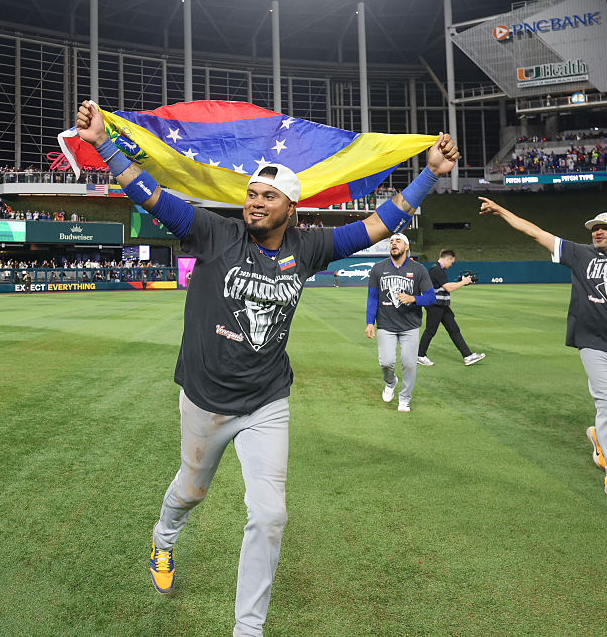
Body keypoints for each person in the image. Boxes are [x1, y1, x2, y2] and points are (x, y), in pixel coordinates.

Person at [74, 99, 459, 637]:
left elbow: (377, 224)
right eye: (252, 193)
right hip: (206, 400)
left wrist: (429, 178)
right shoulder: (214, 232)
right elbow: (152, 195)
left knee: (270, 514)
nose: (255, 202)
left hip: (266, 402)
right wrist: (102, 143)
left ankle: (247, 629)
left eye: (268, 195)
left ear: (291, 208)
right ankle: (164, 539)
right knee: (192, 489)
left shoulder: (310, 247)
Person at [478, 201, 607, 507]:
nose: (598, 232)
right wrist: (502, 211)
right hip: (591, 341)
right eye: (594, 228)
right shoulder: (580, 253)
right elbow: (535, 233)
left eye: (605, 228)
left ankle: (598, 438)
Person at [365, 233, 436, 412]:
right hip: (386, 324)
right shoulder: (378, 269)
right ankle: (390, 382)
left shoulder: (418, 270)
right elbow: (372, 298)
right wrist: (369, 322)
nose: (393, 244)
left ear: (406, 247)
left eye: (398, 241)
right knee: (386, 363)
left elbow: (431, 297)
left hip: (410, 326)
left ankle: (404, 398)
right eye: (391, 242)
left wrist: (413, 298)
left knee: (409, 364)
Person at [415, 249, 485, 367]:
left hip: (442, 306)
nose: (452, 264)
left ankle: (467, 356)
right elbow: (448, 288)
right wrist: (463, 283)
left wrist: (463, 282)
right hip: (435, 305)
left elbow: (445, 286)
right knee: (430, 331)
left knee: (454, 330)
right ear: (448, 259)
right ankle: (420, 355)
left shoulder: (437, 269)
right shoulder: (436, 270)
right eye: (452, 261)